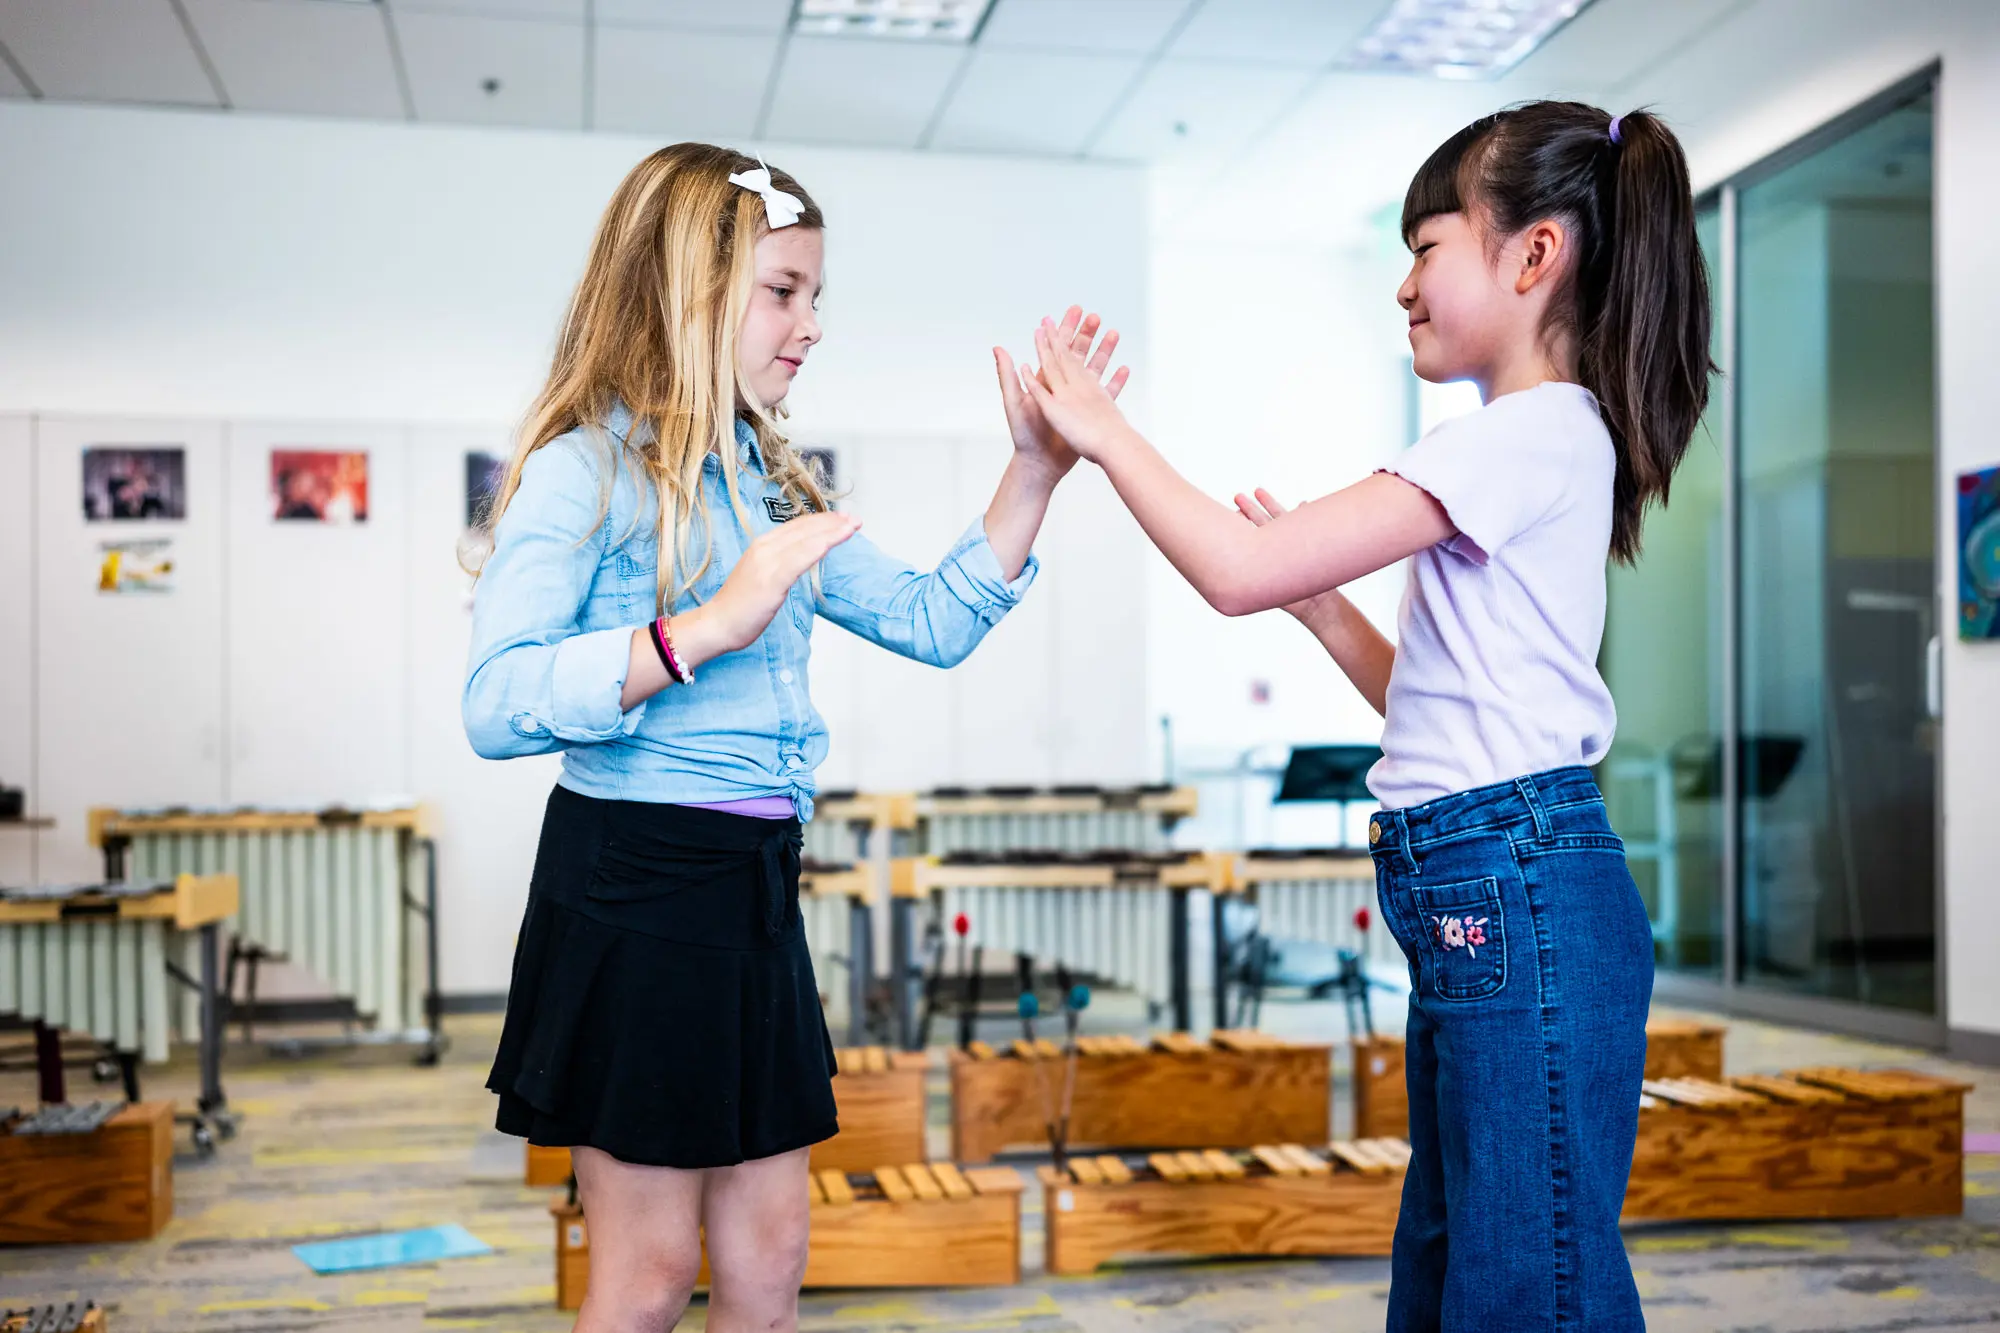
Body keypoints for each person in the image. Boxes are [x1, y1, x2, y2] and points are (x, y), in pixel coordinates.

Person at [1020, 101, 1712, 1332]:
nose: (1402, 285)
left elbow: (1235, 568)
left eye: (1425, 247)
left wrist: (1102, 431)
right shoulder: (1535, 443)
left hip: (1516, 881)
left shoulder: (1521, 434)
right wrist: (1326, 614)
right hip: (1491, 876)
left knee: (1525, 1279)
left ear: (1532, 255)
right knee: (1459, 1262)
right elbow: (1438, 709)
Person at [462, 142, 1122, 1333]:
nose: (810, 324)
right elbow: (496, 699)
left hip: (754, 889)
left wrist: (1033, 471)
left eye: (814, 295)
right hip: (633, 889)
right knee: (648, 1275)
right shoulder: (584, 471)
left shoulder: (767, 481)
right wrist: (706, 628)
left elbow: (930, 619)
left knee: (769, 1270)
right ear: (687, 290)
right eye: (783, 291)